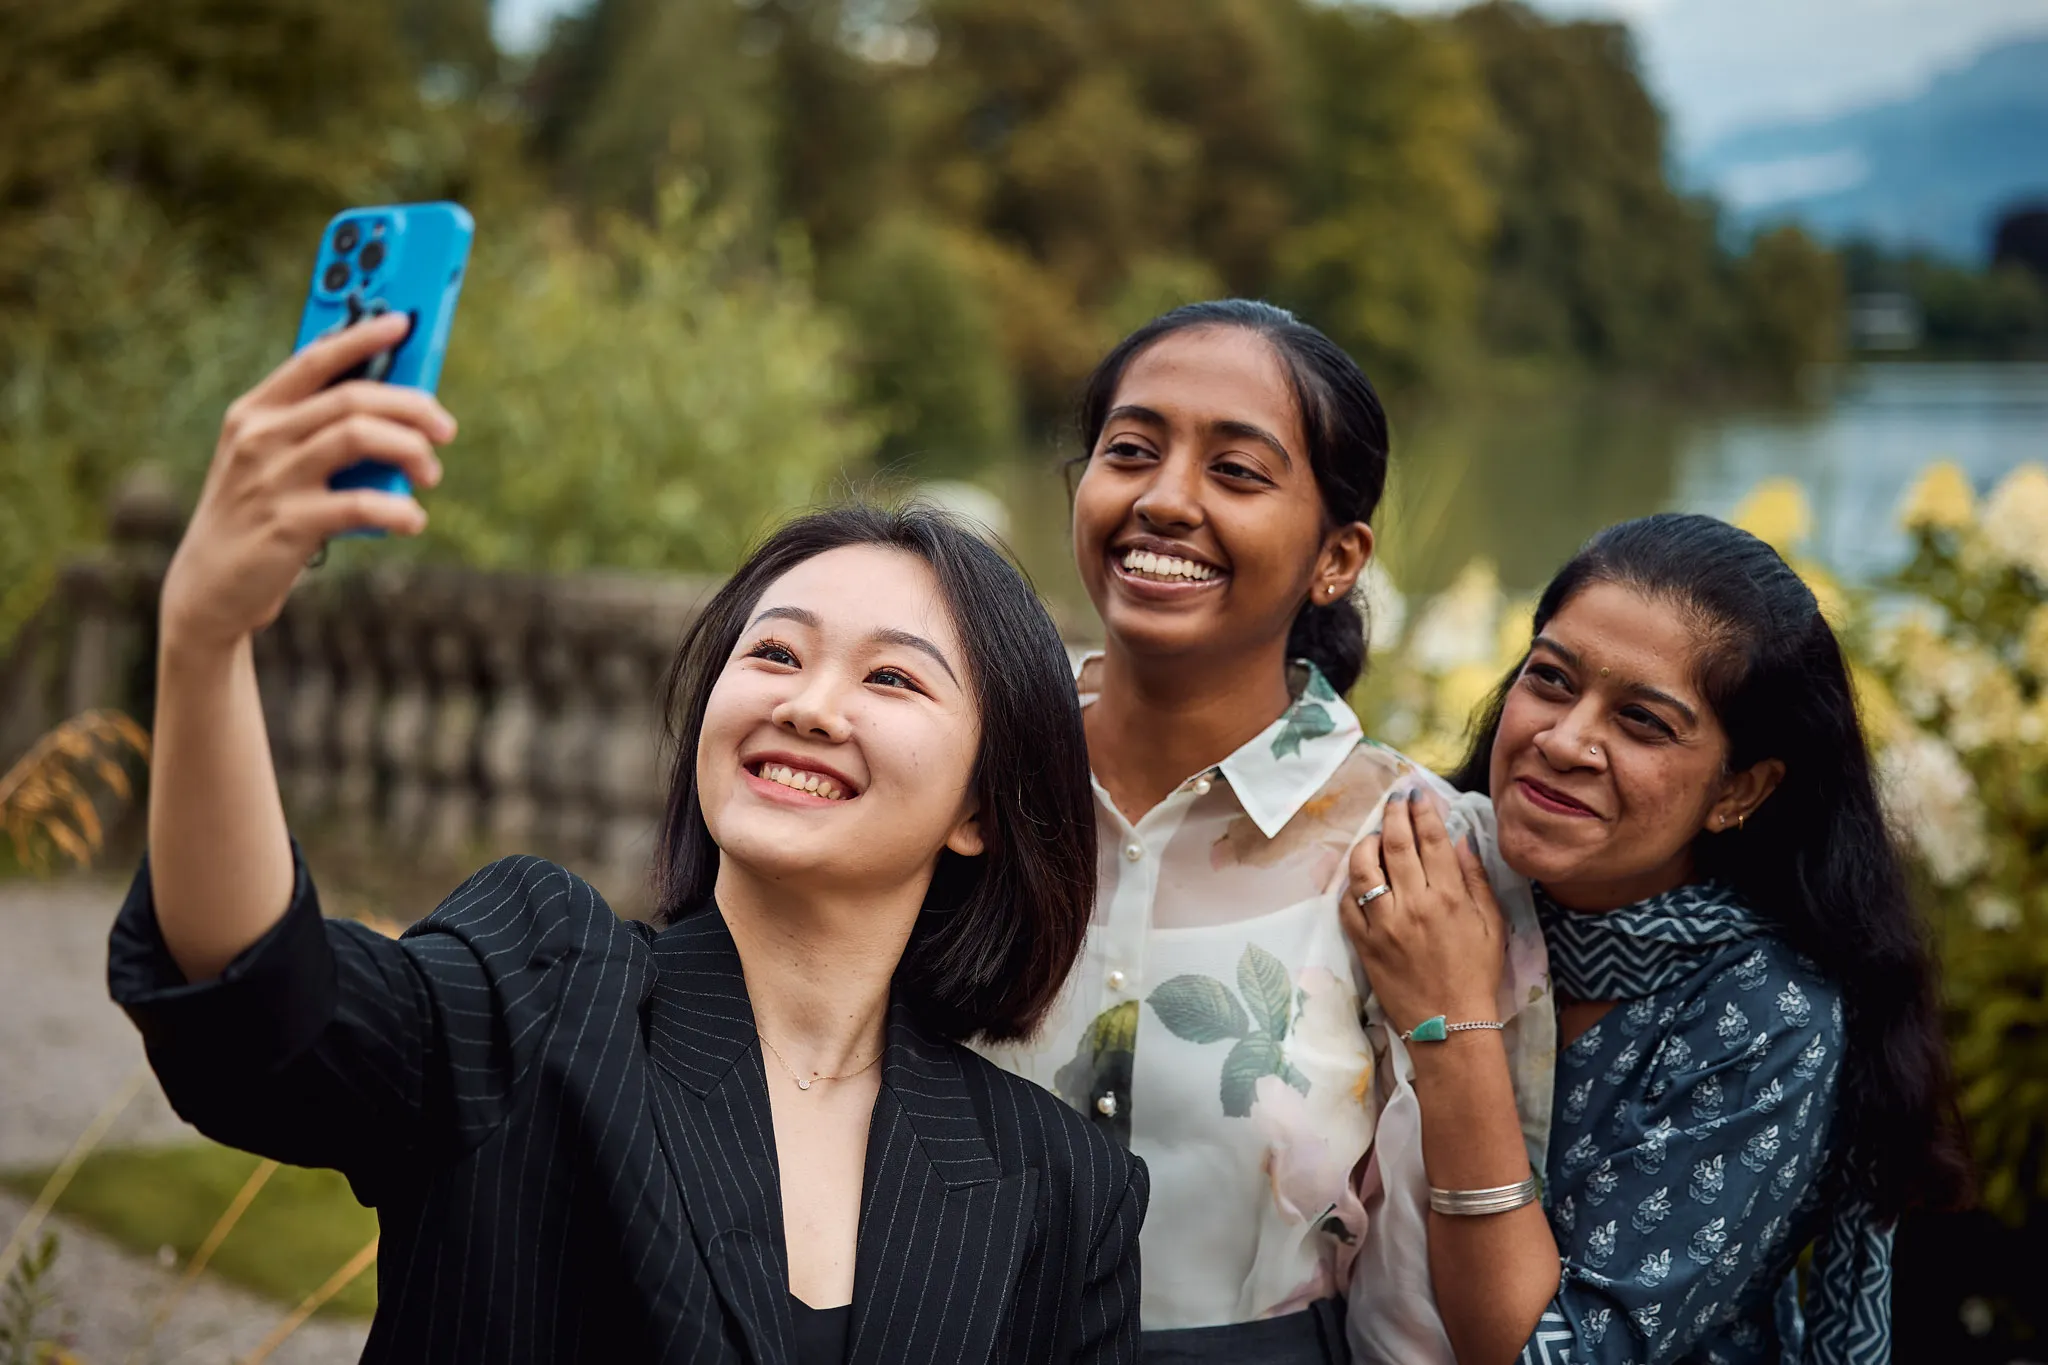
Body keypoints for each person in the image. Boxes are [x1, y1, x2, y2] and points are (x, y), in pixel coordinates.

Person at [108, 313, 1147, 1363]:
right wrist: (204, 638)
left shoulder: (1062, 1188)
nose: (808, 706)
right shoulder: (547, 983)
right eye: (775, 655)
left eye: (889, 677)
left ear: (980, 806)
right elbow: (261, 1010)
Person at [977, 300, 1554, 1364]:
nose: (1164, 499)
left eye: (1236, 473)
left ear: (1336, 559)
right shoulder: (963, 769)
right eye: (1130, 452)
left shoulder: (1414, 854)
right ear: (1078, 488)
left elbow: (1419, 1296)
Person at [1343, 513, 1972, 1364]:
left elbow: (1545, 1355)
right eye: (1552, 680)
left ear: (1739, 789)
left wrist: (1452, 1020)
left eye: (1642, 721)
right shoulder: (1418, 874)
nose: (1563, 741)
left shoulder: (1764, 1017)